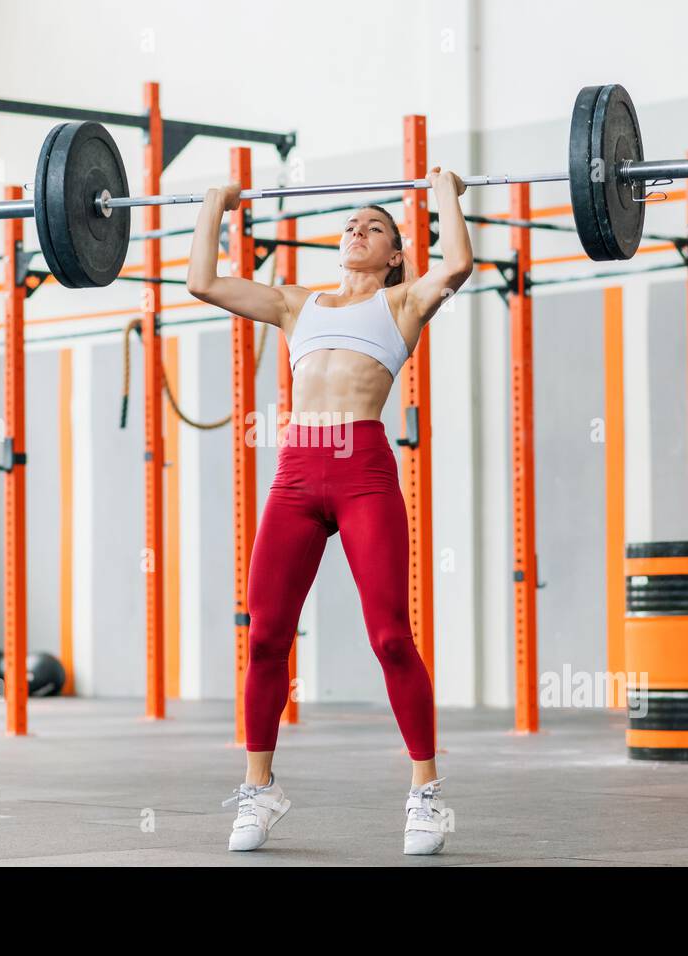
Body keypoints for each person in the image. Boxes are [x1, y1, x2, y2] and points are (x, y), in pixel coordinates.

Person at [186, 168, 473, 854]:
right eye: (351, 225)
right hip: (295, 473)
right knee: (264, 637)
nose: (357, 231)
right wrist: (213, 206)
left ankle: (426, 796)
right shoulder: (295, 303)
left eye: (374, 227)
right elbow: (203, 283)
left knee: (390, 637)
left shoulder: (403, 303)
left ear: (396, 254)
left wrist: (443, 194)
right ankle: (260, 788)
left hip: (362, 469)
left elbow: (460, 264)